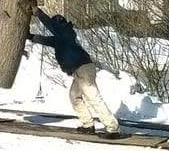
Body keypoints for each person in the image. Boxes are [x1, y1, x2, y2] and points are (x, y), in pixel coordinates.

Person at [30, 8, 123, 139]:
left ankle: (113, 129)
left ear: (59, 25)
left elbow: (52, 27)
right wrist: (30, 37)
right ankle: (88, 125)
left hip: (83, 69)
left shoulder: (66, 32)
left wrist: (38, 13)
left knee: (94, 98)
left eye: (55, 25)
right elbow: (46, 40)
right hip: (79, 71)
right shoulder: (61, 39)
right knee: (74, 96)